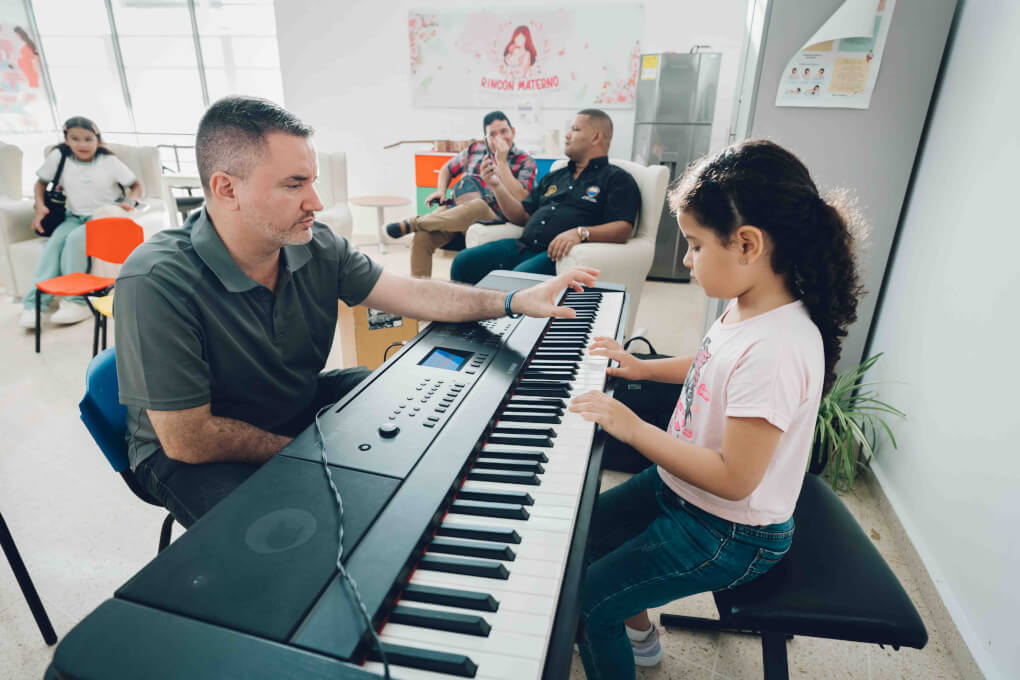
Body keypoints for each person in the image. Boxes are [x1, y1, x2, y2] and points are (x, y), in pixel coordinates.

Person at [115, 96, 598, 528]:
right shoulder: (157, 279)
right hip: (190, 452)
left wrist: (512, 301)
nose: (317, 202)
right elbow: (188, 438)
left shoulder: (316, 245)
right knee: (293, 548)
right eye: (293, 184)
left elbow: (416, 295)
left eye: (314, 181)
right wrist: (314, 455)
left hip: (289, 405)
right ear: (226, 189)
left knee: (421, 409)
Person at [569, 139, 864, 678]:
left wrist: (633, 428)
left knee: (587, 605)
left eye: (695, 245)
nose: (686, 260)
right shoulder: (750, 304)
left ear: (747, 244)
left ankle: (612, 626)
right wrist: (644, 369)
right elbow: (710, 361)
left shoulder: (778, 348)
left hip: (729, 531)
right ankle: (639, 638)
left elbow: (734, 479)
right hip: (683, 487)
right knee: (579, 534)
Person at [450, 109, 639, 285]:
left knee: (516, 279)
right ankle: (464, 320)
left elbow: (623, 229)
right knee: (463, 263)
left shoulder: (617, 179)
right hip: (523, 246)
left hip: (558, 254)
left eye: (575, 129)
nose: (566, 135)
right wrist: (496, 185)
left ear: (596, 137)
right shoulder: (555, 176)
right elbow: (522, 215)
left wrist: (579, 232)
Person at [18, 116, 142, 329]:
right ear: (66, 140)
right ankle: (35, 304)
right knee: (53, 246)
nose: (82, 144)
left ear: (97, 140)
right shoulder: (59, 157)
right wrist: (39, 207)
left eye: (88, 139)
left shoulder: (108, 161)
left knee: (74, 241)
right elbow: (40, 183)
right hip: (73, 216)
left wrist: (130, 201)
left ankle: (76, 301)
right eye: (75, 139)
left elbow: (136, 185)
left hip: (100, 218)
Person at [384, 111, 536, 278]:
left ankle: (413, 222)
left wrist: (502, 161)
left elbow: (522, 197)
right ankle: (420, 292)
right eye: (493, 134)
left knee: (477, 205)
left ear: (513, 132)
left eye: (504, 131)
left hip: (492, 212)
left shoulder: (525, 160)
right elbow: (446, 169)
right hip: (457, 209)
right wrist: (441, 191)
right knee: (422, 236)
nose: (499, 138)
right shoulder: (475, 150)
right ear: (486, 137)